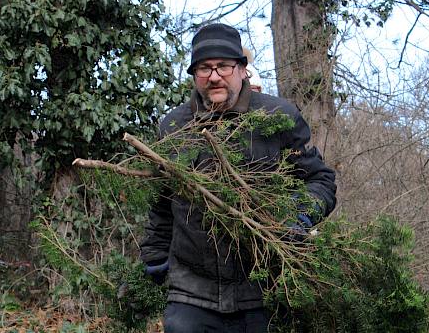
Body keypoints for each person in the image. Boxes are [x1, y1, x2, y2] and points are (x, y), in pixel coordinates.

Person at [140, 23, 337, 332]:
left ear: (242, 69)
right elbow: (162, 203)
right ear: (194, 74)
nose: (214, 76)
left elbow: (320, 180)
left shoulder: (278, 117)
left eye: (223, 66)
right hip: (191, 292)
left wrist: (298, 214)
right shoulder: (173, 127)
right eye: (204, 68)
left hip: (262, 290)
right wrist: (154, 256)